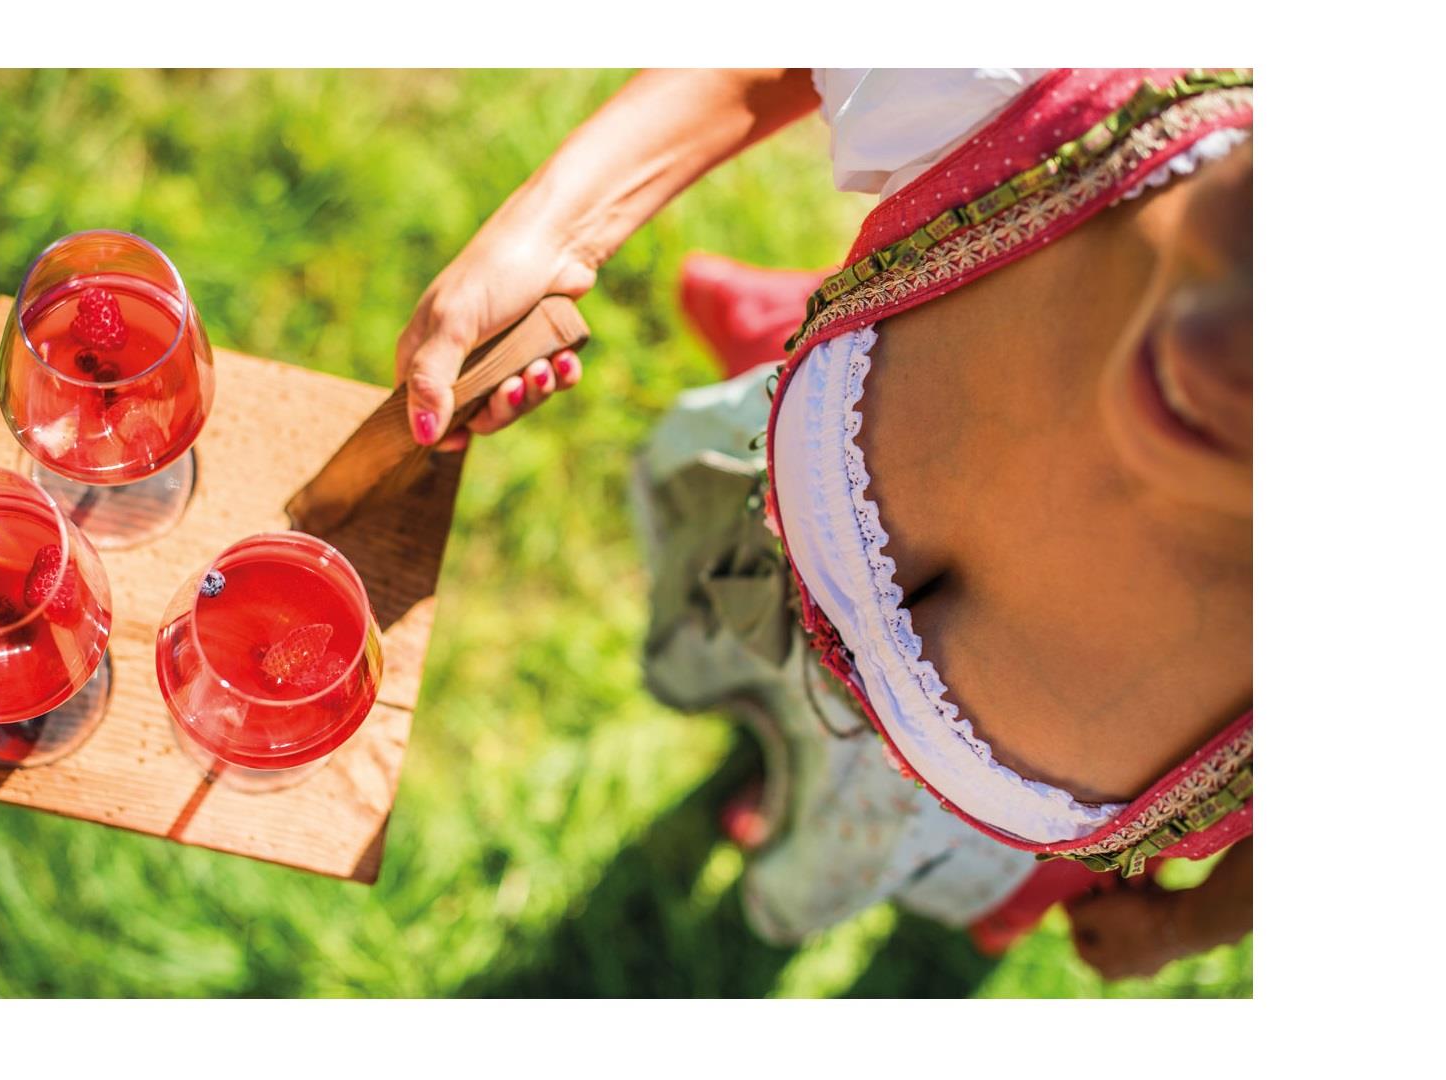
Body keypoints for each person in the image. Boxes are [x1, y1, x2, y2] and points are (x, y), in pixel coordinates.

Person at [395, 69, 1253, 978]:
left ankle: (793, 807)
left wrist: (1183, 927)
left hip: (897, 818)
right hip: (746, 538)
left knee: (816, 860)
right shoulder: (1070, 84)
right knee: (727, 669)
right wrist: (552, 233)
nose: (1209, 348)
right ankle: (767, 739)